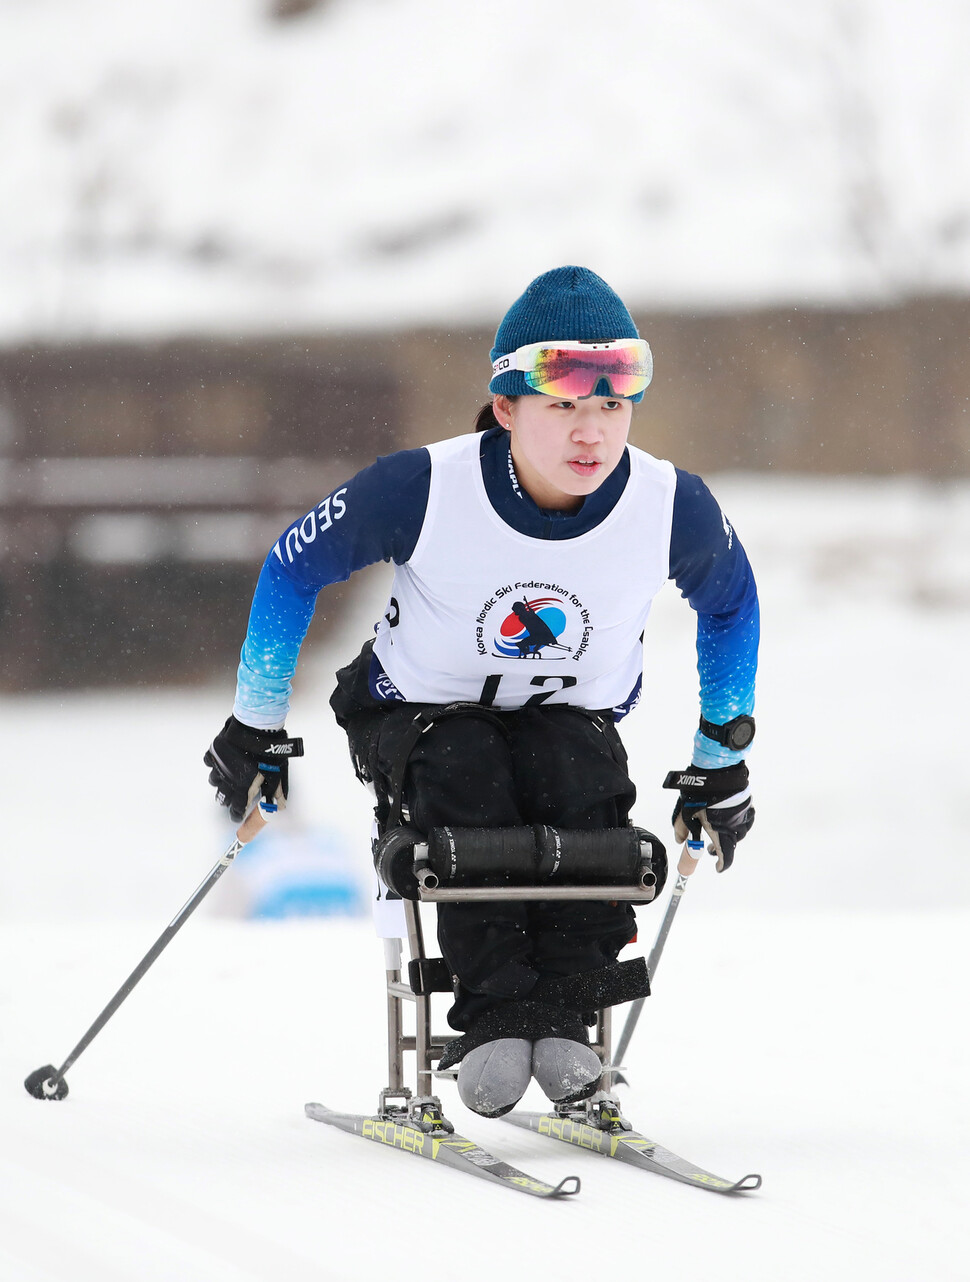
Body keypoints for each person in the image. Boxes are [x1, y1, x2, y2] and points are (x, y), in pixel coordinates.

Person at [204, 266, 759, 1119]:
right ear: (506, 407)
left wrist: (720, 757)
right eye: (565, 405)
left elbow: (732, 603)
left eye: (612, 406)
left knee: (573, 770)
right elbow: (292, 564)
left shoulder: (668, 503)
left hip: (572, 719)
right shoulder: (425, 485)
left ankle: (567, 1017)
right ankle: (498, 1016)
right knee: (469, 764)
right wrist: (256, 724)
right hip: (414, 711)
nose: (592, 432)